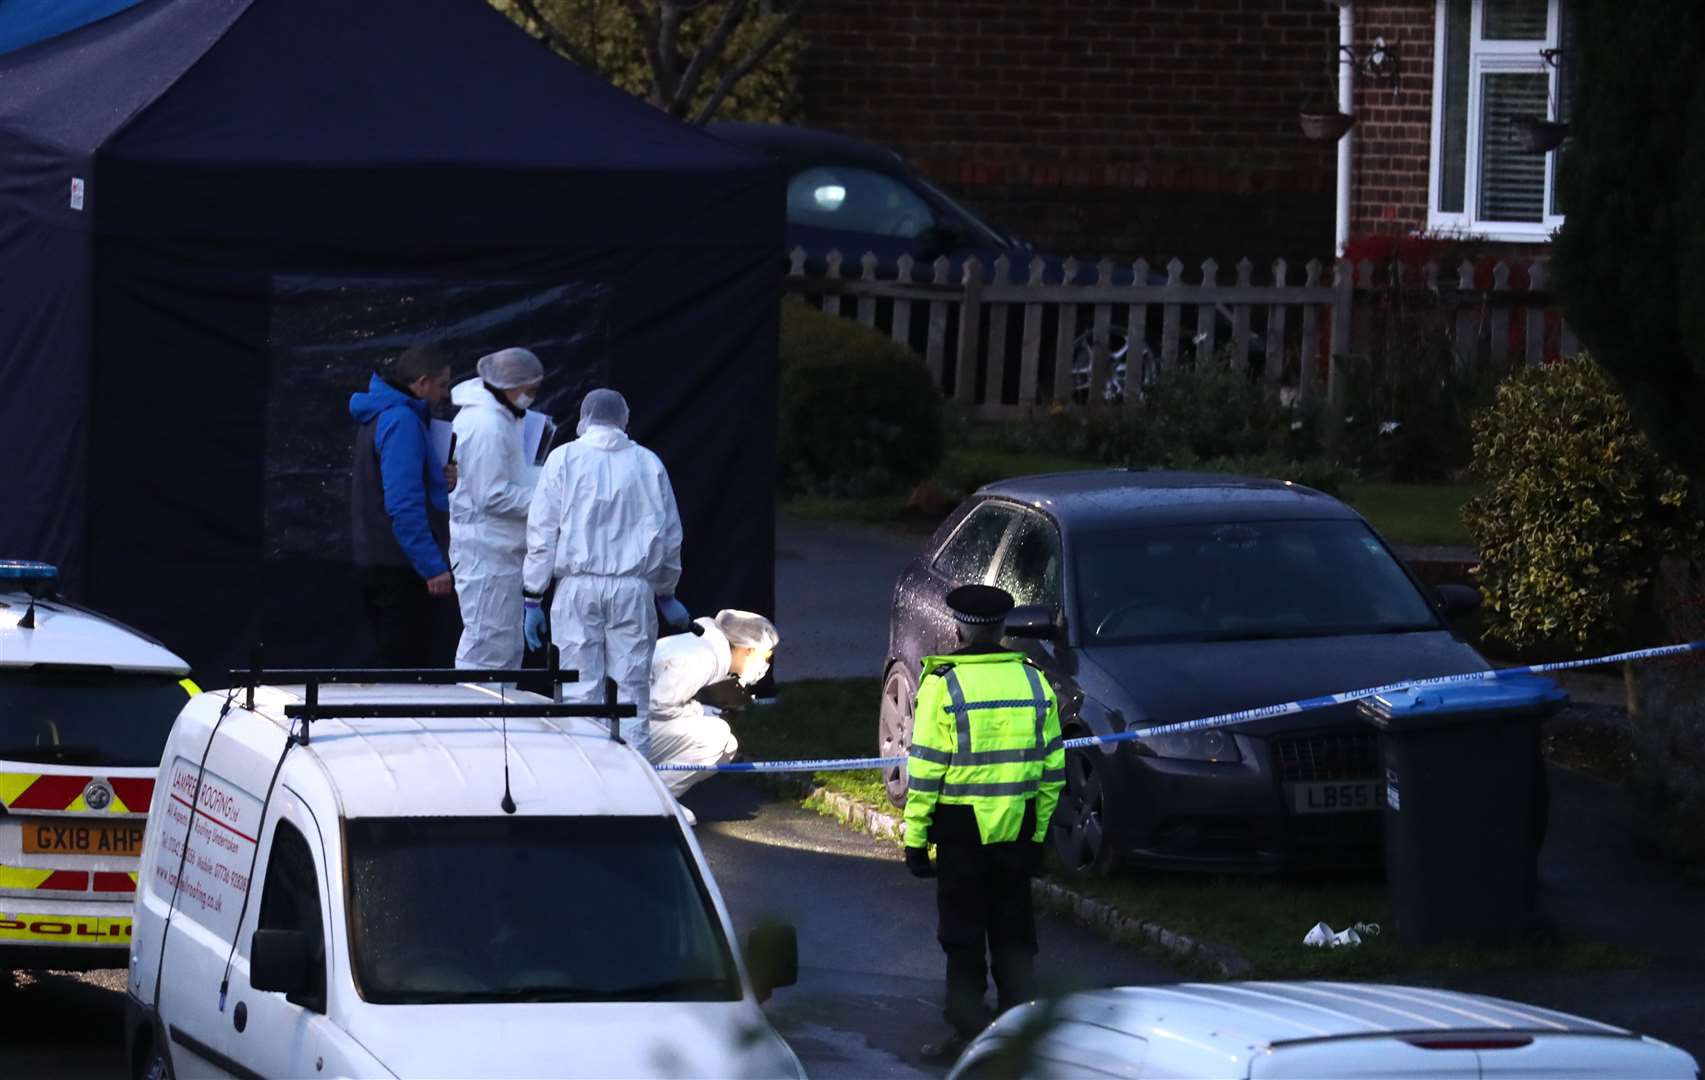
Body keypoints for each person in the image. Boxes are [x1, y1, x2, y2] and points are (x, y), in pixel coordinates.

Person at [902, 584, 1066, 1063]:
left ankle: (969, 1036)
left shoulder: (944, 684)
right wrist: (1038, 834)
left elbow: (927, 767)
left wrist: (915, 839)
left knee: (963, 937)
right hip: (1017, 828)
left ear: (958, 628)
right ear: (1001, 628)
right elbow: (1052, 769)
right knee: (1015, 939)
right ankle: (1019, 1036)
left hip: (961, 833)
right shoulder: (1034, 681)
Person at [522, 389, 684, 753]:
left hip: (577, 589)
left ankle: (584, 791)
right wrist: (666, 590)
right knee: (633, 695)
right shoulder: (648, 463)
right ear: (624, 419)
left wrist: (533, 594)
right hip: (633, 590)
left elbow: (542, 531)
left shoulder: (564, 459)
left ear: (585, 417)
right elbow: (669, 535)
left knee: (580, 693)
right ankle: (636, 798)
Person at [349, 343, 455, 667]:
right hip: (401, 568)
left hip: (381, 559)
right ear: (422, 383)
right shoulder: (403, 421)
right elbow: (403, 503)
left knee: (395, 664)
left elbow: (393, 484)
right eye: (442, 385)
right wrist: (432, 565)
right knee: (406, 671)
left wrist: (436, 478)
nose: (445, 395)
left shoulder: (381, 417)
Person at [448, 347, 546, 672]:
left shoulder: (502, 418)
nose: (532, 396)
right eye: (528, 389)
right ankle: (477, 720)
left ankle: (494, 718)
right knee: (486, 651)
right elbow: (491, 496)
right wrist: (546, 500)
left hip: (499, 552)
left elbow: (506, 477)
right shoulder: (486, 425)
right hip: (486, 554)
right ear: (507, 385)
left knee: (501, 650)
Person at [649, 610, 780, 817]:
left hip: (633, 719)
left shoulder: (710, 643)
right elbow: (658, 704)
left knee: (728, 746)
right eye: (765, 656)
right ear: (746, 649)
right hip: (627, 726)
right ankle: (647, 800)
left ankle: (658, 795)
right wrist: (699, 711)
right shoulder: (703, 658)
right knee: (716, 735)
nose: (765, 664)